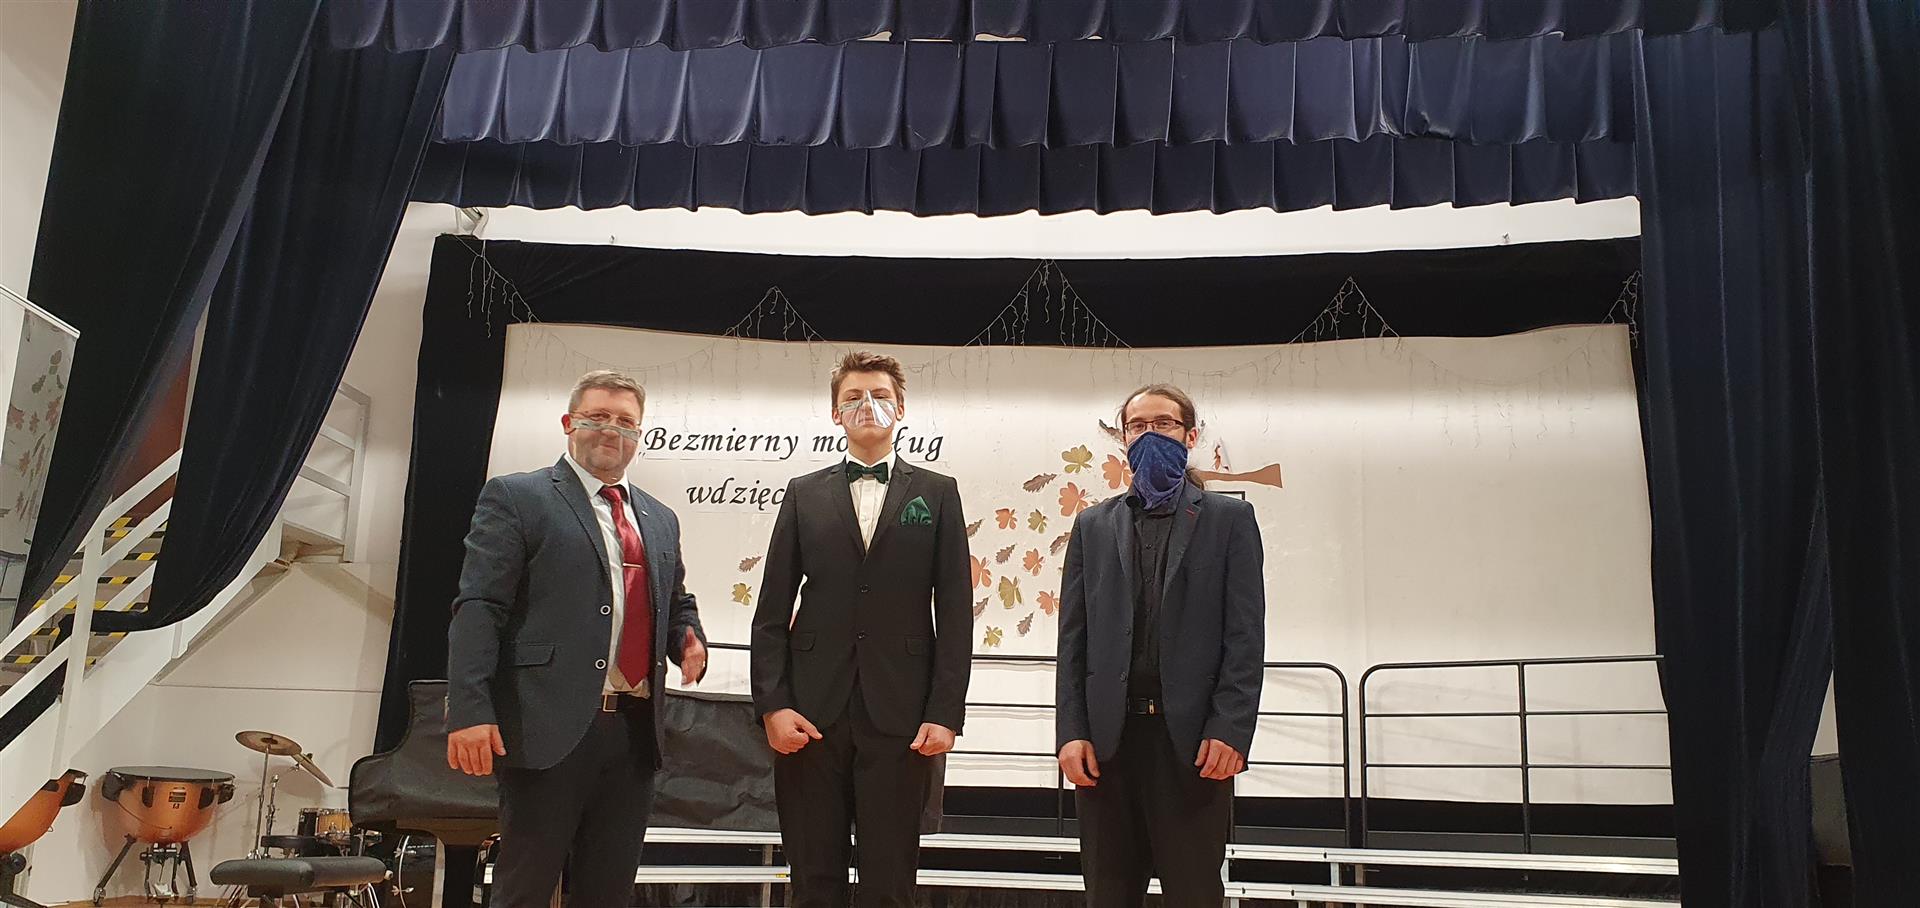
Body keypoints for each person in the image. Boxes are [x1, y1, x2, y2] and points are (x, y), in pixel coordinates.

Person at [445, 370, 709, 908]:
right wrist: (470, 709)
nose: (612, 430)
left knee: (608, 892)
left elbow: (674, 599)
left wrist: (688, 636)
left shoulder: (660, 519)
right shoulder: (517, 497)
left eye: (626, 422)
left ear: (639, 435)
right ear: (569, 423)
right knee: (524, 889)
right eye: (597, 416)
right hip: (545, 725)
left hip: (634, 733)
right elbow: (479, 606)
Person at [751, 351, 973, 907]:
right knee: (813, 880)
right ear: (835, 413)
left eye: (879, 396)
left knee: (890, 883)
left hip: (903, 715)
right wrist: (773, 706)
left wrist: (946, 711)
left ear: (901, 409)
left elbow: (954, 611)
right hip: (810, 713)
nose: (866, 406)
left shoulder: (938, 492)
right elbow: (771, 610)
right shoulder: (803, 492)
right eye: (852, 397)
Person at [1055, 383, 1267, 906]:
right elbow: (1073, 640)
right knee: (1108, 894)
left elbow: (1245, 636)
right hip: (1108, 744)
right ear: (1123, 439)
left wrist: (1231, 728)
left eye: (1164, 424)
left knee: (1194, 893)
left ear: (1190, 436)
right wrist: (1071, 731)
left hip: (1193, 745)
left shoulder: (1229, 520)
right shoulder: (1092, 525)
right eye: (1138, 426)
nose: (1150, 435)